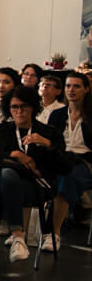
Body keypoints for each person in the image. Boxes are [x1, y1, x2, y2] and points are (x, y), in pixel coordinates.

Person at [0, 85, 66, 262]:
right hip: (8, 185)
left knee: (7, 178)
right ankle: (18, 236)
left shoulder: (49, 132)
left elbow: (64, 166)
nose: (19, 111)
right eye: (14, 107)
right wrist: (15, 154)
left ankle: (17, 236)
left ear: (33, 107)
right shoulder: (2, 131)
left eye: (24, 106)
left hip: (38, 185)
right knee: (7, 176)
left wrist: (48, 145)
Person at [48, 71, 92, 231]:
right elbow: (51, 142)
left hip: (85, 162)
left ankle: (55, 232)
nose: (71, 90)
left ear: (86, 89)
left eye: (76, 86)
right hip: (60, 158)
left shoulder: (90, 115)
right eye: (68, 86)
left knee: (67, 178)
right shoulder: (57, 114)